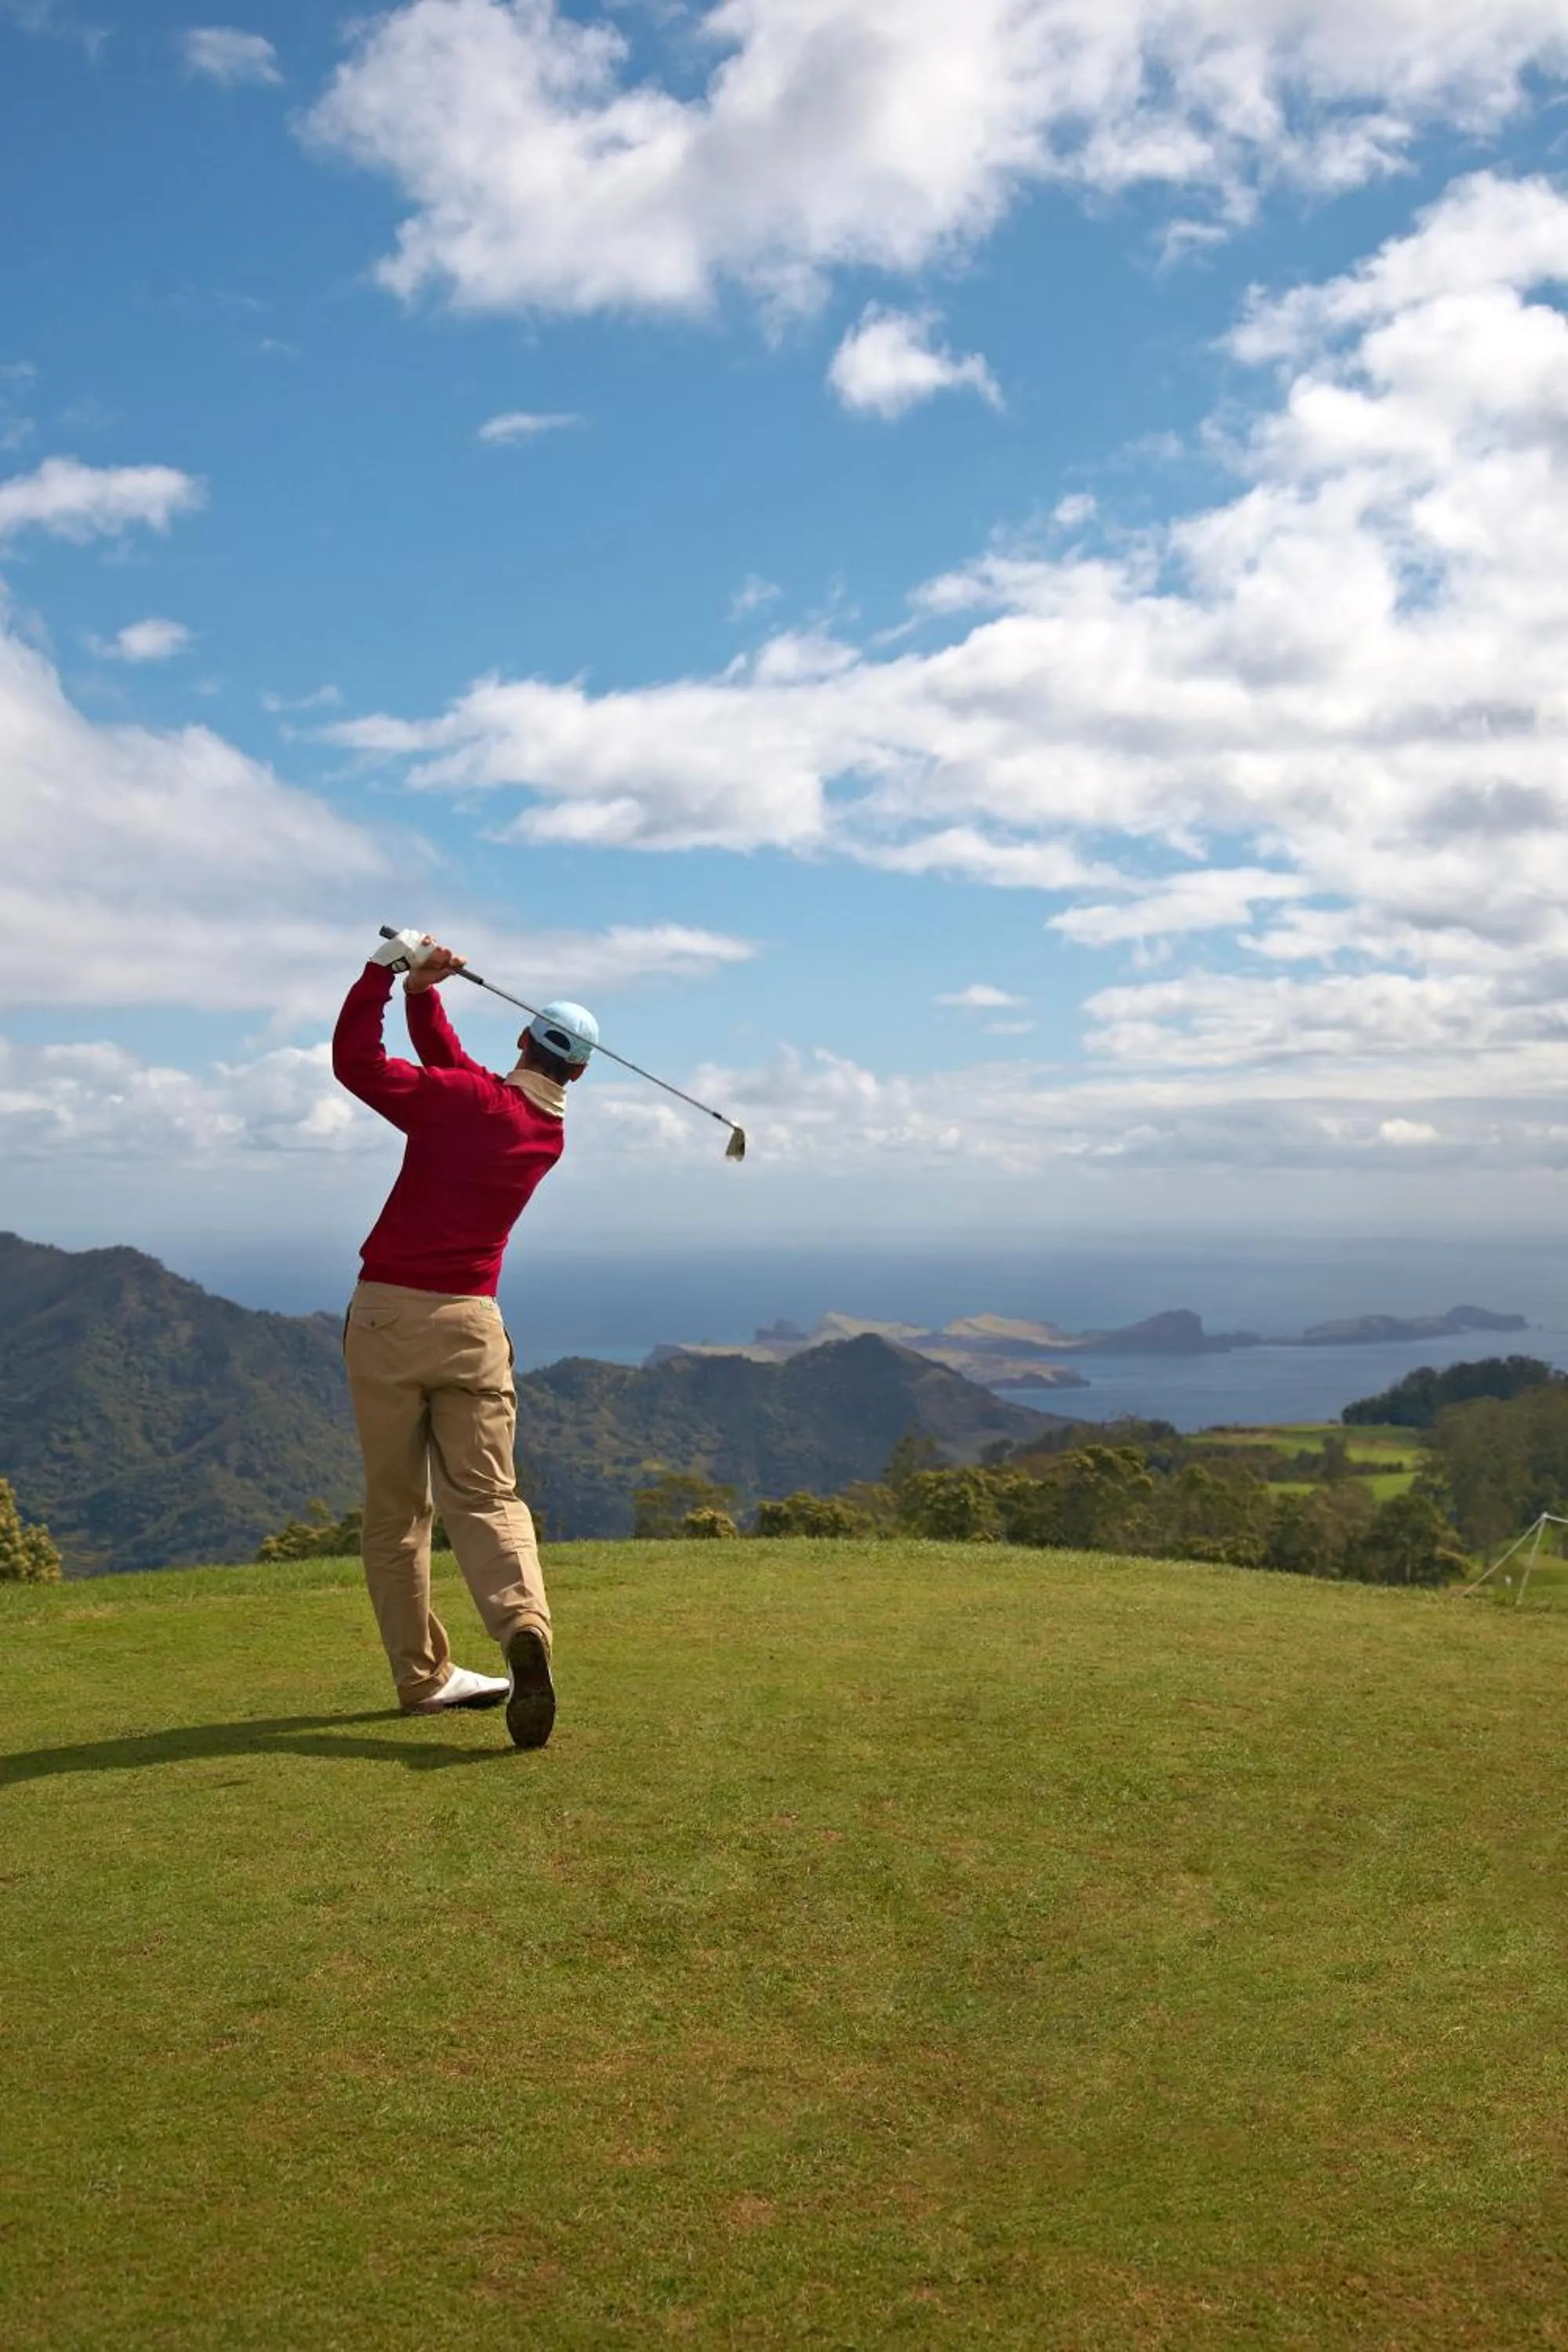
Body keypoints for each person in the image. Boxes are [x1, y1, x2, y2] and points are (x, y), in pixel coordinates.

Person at [331, 930, 598, 1748]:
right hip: (472, 1326)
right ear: (577, 1073)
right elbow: (460, 1079)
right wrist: (422, 993)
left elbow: (356, 1064)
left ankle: (423, 1678)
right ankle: (524, 1627)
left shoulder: (466, 1104)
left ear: (521, 1039)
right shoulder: (541, 1135)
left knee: (397, 1512)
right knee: (486, 1497)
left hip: (387, 1320)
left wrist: (381, 972)